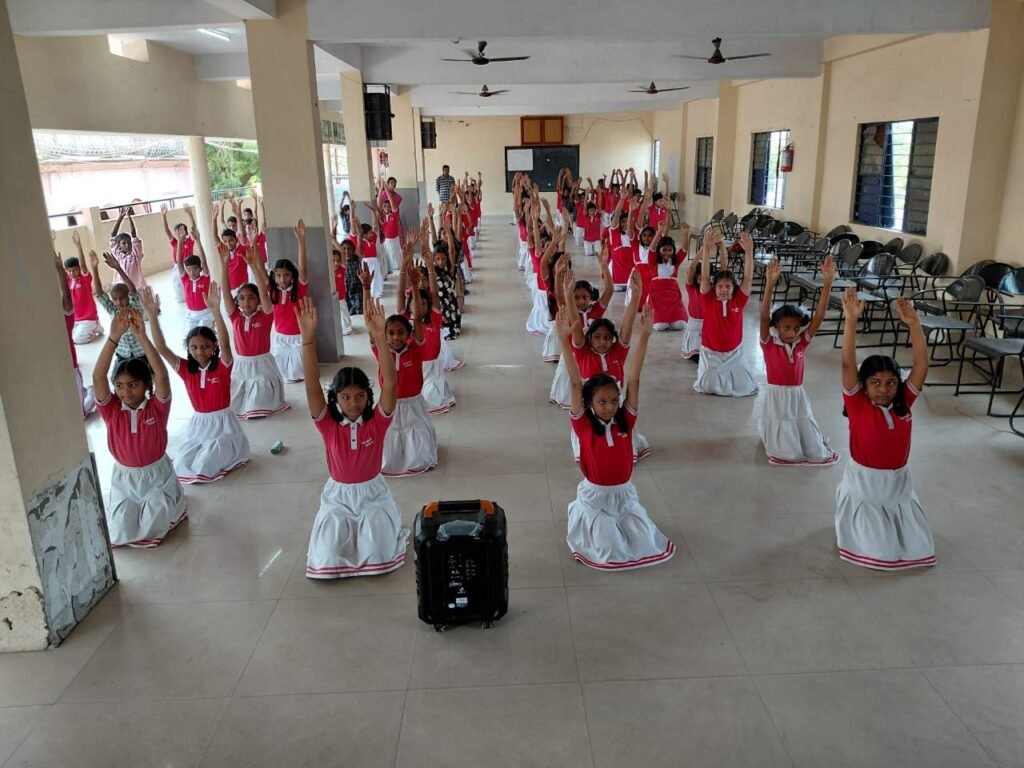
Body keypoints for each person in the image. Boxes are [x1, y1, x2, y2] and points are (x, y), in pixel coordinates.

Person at [296, 296, 409, 579]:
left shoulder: (377, 423)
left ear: (369, 397)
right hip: (339, 499)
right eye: (345, 397)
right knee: (329, 556)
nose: (354, 403)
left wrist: (380, 337)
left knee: (379, 552)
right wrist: (308, 340)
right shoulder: (328, 425)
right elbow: (311, 386)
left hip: (373, 496)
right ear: (335, 400)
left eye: (360, 396)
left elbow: (391, 383)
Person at [555, 303, 674, 570]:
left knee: (644, 541)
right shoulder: (583, 425)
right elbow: (575, 382)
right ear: (589, 404)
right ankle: (584, 514)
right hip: (596, 496)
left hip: (624, 494)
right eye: (602, 402)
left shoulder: (626, 420)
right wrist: (563, 339)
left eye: (613, 400)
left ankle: (623, 519)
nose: (609, 407)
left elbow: (633, 379)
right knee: (608, 548)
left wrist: (644, 336)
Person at [837, 287, 934, 570]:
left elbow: (921, 364)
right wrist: (851, 321)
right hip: (866, 483)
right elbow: (846, 363)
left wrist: (914, 325)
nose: (884, 389)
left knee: (914, 545)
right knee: (878, 548)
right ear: (864, 385)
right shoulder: (857, 404)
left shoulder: (904, 401)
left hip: (898, 483)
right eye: (875, 383)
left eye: (891, 382)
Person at [93, 306, 187, 547]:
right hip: (125, 478)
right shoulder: (112, 410)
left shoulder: (156, 407)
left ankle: (172, 502)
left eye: (133, 385)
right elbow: (98, 378)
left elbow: (162, 376)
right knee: (122, 525)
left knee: (154, 523)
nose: (126, 391)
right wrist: (113, 337)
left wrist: (141, 336)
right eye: (120, 386)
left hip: (157, 475)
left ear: (146, 385)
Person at [142, 284, 251, 484]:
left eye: (205, 346)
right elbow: (161, 348)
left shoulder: (222, 366)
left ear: (214, 347)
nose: (200, 351)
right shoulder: (185, 369)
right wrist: (152, 315)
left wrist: (215, 311)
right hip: (199, 426)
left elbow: (226, 344)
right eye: (194, 347)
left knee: (208, 460)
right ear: (188, 349)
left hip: (223, 426)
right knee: (183, 460)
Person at [758, 257, 840, 466]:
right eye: (786, 328)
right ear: (776, 327)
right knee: (781, 425)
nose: (792, 333)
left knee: (800, 423)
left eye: (796, 328)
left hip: (797, 394)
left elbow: (819, 316)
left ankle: (800, 443)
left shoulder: (801, 343)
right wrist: (769, 283)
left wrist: (827, 283)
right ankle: (782, 447)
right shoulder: (769, 342)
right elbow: (764, 318)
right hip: (777, 396)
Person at [568, 271, 650, 462]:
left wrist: (636, 296)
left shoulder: (617, 353)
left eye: (607, 338)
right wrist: (568, 295)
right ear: (589, 339)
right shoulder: (583, 352)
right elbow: (575, 324)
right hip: (591, 406)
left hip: (615, 405)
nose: (602, 342)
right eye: (597, 337)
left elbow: (627, 325)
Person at [371, 284, 438, 477]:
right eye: (390, 333)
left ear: (409, 335)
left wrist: (415, 288)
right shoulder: (382, 352)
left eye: (401, 332)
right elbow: (373, 330)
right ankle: (393, 461)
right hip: (389, 403)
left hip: (413, 402)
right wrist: (367, 289)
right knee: (391, 434)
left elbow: (417, 317)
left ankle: (418, 459)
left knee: (416, 431)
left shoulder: (415, 350)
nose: (395, 337)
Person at [220, 244, 289, 419]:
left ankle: (258, 406)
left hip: (262, 364)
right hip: (242, 364)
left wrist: (252, 266)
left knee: (260, 391)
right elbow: (226, 293)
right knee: (235, 399)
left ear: (258, 300)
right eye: (242, 298)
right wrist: (224, 265)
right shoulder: (235, 316)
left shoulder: (265, 315)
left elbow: (265, 294)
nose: (246, 302)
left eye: (251, 298)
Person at [694, 231, 758, 396]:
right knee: (707, 386)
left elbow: (748, 279)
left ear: (733, 288)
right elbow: (706, 277)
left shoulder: (738, 301)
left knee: (746, 387)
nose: (723, 290)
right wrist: (707, 250)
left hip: (734, 353)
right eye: (720, 286)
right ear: (714, 288)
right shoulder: (708, 299)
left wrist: (749, 252)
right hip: (711, 354)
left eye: (728, 287)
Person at [550, 251, 612, 408]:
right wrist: (558, 273)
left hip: (588, 353)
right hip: (571, 351)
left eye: (585, 297)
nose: (580, 301)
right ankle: (566, 399)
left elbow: (609, 290)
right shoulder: (570, 310)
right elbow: (559, 295)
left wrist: (605, 268)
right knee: (568, 375)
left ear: (591, 297)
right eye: (576, 297)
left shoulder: (596, 310)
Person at [90, 250, 145, 379]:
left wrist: (118, 268)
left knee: (146, 378)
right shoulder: (113, 310)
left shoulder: (135, 308)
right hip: (122, 355)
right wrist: (94, 268)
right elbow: (100, 294)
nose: (119, 302)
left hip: (141, 354)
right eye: (115, 299)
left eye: (122, 298)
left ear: (128, 297)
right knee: (114, 378)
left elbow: (132, 289)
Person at [268, 220, 309, 382]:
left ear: (292, 276)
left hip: (298, 334)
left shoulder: (299, 289)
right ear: (274, 276)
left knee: (300, 367)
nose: (282, 278)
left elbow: (303, 267)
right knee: (281, 368)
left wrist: (301, 241)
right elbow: (257, 269)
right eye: (278, 275)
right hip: (280, 336)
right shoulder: (272, 291)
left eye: (286, 275)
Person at [55, 253, 95, 418]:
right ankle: (83, 392)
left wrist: (58, 269)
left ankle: (92, 394)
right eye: (68, 271)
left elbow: (67, 299)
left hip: (71, 368)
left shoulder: (65, 319)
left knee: (81, 415)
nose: (72, 273)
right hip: (59, 371)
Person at [680, 232, 726, 360]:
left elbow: (724, 268)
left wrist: (721, 246)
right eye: (700, 279)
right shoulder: (691, 287)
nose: (703, 282)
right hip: (695, 325)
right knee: (697, 356)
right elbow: (691, 268)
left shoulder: (712, 290)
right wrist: (704, 249)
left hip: (710, 324)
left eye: (706, 279)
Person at [647, 224, 690, 332]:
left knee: (680, 325)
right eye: (664, 250)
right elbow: (651, 249)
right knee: (660, 327)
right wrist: (658, 232)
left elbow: (684, 250)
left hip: (673, 298)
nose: (667, 253)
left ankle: (672, 318)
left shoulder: (675, 262)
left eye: (670, 250)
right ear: (659, 250)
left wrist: (685, 234)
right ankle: (663, 319)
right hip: (658, 298)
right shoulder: (653, 261)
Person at [64, 231, 104, 343]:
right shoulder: (67, 280)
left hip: (88, 317)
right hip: (76, 319)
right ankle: (96, 327)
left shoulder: (84, 278)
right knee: (67, 337)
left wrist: (78, 245)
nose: (72, 273)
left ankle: (94, 326)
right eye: (69, 270)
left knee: (77, 339)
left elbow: (82, 265)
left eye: (75, 270)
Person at [175, 232, 213, 330]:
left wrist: (198, 241)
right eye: (189, 270)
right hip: (191, 314)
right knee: (190, 336)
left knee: (203, 333)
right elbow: (179, 262)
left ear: (200, 269)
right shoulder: (185, 280)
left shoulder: (205, 279)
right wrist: (179, 241)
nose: (192, 272)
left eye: (195, 269)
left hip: (206, 314)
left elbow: (204, 261)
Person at [161, 205, 197, 304]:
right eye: (177, 230)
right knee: (177, 282)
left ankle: (190, 296)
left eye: (182, 230)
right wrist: (164, 216)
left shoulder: (190, 241)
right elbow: (167, 231)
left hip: (188, 265)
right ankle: (181, 298)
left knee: (189, 282)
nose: (180, 232)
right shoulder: (175, 242)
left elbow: (194, 228)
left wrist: (190, 214)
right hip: (177, 266)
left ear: (186, 232)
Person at [108, 207, 147, 288]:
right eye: (124, 243)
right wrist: (121, 217)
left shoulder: (135, 255)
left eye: (129, 243)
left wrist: (129, 216)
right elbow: (113, 234)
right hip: (121, 287)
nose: (127, 245)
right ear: (119, 245)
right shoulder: (118, 254)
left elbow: (133, 233)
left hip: (136, 287)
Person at [351, 206, 383, 300]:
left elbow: (375, 225)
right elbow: (355, 232)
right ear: (364, 234)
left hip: (375, 261)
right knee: (369, 277)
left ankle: (378, 292)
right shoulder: (360, 241)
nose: (372, 234)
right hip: (367, 262)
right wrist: (353, 212)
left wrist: (373, 211)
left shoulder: (372, 239)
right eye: (369, 233)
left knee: (377, 276)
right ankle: (370, 293)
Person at [331, 242, 356, 337]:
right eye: (333, 261)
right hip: (332, 297)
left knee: (344, 312)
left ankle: (347, 328)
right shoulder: (328, 271)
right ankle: (343, 328)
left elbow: (341, 251)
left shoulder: (342, 269)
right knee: (338, 314)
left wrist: (332, 238)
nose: (336, 263)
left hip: (341, 297)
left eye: (338, 260)